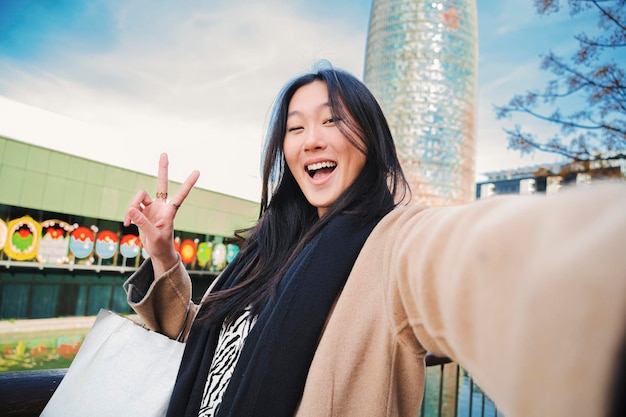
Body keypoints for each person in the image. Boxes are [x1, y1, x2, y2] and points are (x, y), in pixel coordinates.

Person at [123, 63, 626, 417]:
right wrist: (163, 252)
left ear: (370, 136)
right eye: (295, 128)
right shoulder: (267, 252)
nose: (312, 138)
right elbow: (215, 353)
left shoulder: (394, 242)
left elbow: (482, 258)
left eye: (332, 120)